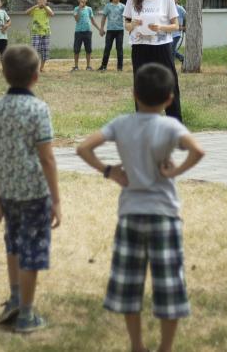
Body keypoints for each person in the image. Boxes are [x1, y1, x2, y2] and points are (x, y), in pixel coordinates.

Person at [76, 64, 205, 352]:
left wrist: (109, 171)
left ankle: (137, 345)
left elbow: (83, 148)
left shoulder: (121, 124)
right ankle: (165, 347)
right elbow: (198, 150)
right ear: (170, 98)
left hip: (130, 215)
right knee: (169, 285)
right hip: (165, 215)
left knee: (129, 284)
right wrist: (174, 172)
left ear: (134, 94)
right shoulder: (171, 125)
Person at [0, 45, 61, 333]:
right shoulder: (38, 109)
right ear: (36, 76)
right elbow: (47, 158)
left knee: (13, 243)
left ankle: (15, 297)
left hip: (7, 193)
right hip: (35, 194)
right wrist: (56, 199)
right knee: (32, 250)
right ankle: (26, 313)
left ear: (4, 74)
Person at [124, 0, 182, 121]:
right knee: (142, 85)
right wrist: (133, 24)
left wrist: (160, 27)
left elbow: (176, 26)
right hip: (140, 47)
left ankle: (175, 122)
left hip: (162, 47)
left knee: (170, 83)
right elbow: (127, 25)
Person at [97, 0, 126, 72]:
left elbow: (127, 17)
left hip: (120, 30)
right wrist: (101, 28)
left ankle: (120, 67)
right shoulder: (108, 6)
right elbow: (104, 17)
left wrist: (130, 27)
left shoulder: (123, 7)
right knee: (107, 48)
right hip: (110, 30)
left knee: (119, 49)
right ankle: (103, 66)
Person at [26, 0, 54, 71]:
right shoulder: (35, 9)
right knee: (34, 50)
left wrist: (44, 7)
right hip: (36, 32)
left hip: (46, 32)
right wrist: (34, 6)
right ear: (37, 0)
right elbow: (26, 12)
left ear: (46, 1)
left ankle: (41, 68)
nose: (41, 1)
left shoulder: (47, 8)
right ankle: (34, 67)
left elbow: (52, 14)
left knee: (45, 50)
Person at [71, 0, 98, 71]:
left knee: (88, 49)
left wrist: (99, 29)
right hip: (78, 32)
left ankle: (88, 66)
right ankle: (76, 66)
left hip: (88, 31)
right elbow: (77, 19)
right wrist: (79, 8)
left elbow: (92, 21)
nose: (82, 0)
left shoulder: (89, 9)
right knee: (76, 49)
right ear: (78, 0)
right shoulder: (76, 9)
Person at [170, 0, 186, 64]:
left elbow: (187, 18)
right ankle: (182, 58)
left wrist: (184, 27)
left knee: (171, 50)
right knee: (170, 49)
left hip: (176, 34)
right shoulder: (168, 9)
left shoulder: (180, 9)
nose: (173, 0)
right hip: (169, 34)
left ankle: (171, 65)